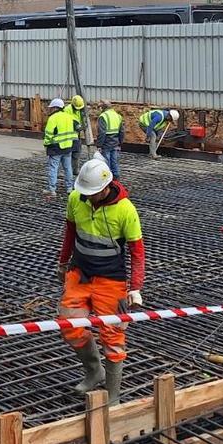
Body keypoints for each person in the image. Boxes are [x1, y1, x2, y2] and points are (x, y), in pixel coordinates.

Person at [57, 158, 145, 405]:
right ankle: (95, 371)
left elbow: (137, 251)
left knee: (113, 336)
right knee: (69, 324)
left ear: (106, 187)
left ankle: (113, 396)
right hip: (80, 273)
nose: (89, 198)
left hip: (111, 280)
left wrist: (136, 287)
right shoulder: (76, 198)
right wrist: (62, 263)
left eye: (93, 193)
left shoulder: (125, 209)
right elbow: (70, 233)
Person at [43, 98, 77, 199]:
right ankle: (69, 188)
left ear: (54, 108)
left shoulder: (53, 118)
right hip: (67, 146)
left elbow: (48, 133)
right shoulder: (69, 117)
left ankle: (52, 190)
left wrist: (46, 143)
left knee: (53, 168)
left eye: (51, 108)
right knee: (68, 168)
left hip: (56, 148)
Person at [96, 100, 123, 179]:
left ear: (103, 107)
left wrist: (99, 145)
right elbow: (122, 131)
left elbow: (102, 133)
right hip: (115, 142)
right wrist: (120, 143)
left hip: (106, 143)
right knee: (114, 162)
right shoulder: (118, 116)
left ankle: (107, 179)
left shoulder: (103, 116)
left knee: (106, 163)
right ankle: (116, 178)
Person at [64, 94, 88, 168]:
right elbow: (69, 123)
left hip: (76, 135)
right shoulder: (67, 110)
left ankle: (74, 169)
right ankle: (69, 170)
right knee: (68, 154)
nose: (78, 109)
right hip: (68, 135)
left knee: (76, 153)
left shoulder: (79, 110)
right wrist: (80, 126)